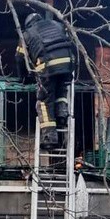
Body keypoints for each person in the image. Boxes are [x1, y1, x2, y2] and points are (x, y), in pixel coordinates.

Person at [17, 12, 76, 150]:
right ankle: (61, 114)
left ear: (28, 24)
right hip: (67, 64)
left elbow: (19, 58)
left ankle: (49, 138)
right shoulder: (57, 25)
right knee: (61, 90)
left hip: (48, 67)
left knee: (44, 101)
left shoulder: (27, 34)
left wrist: (23, 77)